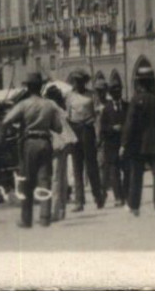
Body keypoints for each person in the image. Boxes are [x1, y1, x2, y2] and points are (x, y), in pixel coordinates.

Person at [1, 72, 67, 228]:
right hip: (45, 142)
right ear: (41, 87)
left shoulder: (23, 105)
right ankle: (45, 217)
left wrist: (18, 126)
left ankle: (26, 219)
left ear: (28, 87)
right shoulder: (49, 105)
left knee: (27, 181)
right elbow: (58, 127)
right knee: (45, 179)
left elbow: (6, 121)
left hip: (28, 143)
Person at [121, 67, 155, 217]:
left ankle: (134, 205)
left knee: (136, 175)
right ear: (152, 82)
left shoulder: (136, 101)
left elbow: (130, 124)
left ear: (139, 83)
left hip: (138, 145)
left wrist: (124, 143)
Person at [64, 70, 106, 211]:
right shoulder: (69, 96)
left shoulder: (92, 95)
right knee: (77, 167)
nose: (78, 83)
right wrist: (68, 136)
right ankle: (79, 201)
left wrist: (98, 133)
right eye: (75, 80)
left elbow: (98, 115)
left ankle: (98, 197)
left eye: (80, 81)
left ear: (84, 81)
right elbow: (67, 117)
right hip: (74, 129)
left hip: (88, 129)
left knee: (91, 165)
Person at [44, 84, 77, 220]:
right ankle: (61, 209)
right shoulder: (59, 107)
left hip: (56, 143)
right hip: (66, 142)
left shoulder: (48, 107)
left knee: (56, 178)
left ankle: (54, 211)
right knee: (62, 177)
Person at [97, 76, 128, 206]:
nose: (117, 92)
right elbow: (103, 128)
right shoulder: (106, 109)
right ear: (110, 92)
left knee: (127, 170)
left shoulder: (127, 106)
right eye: (114, 90)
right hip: (111, 145)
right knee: (114, 172)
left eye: (118, 89)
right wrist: (112, 128)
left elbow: (133, 124)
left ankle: (126, 194)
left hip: (125, 144)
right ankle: (118, 197)